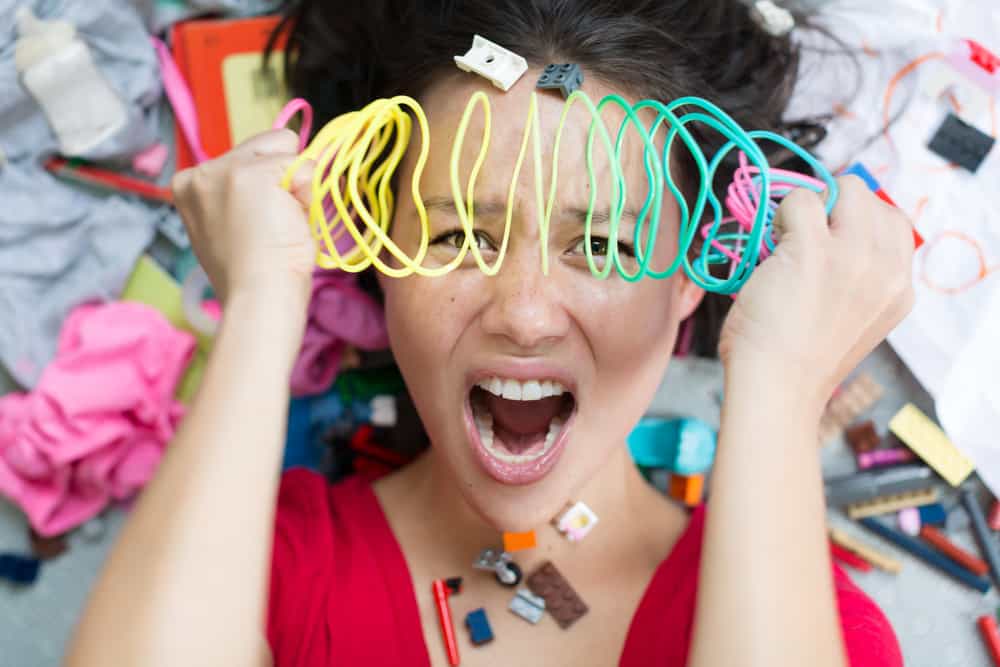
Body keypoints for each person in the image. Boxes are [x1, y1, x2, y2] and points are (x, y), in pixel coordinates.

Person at [66, 1, 914, 665]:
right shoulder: (264, 563)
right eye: (457, 235)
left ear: (693, 271)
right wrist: (259, 301)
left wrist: (783, 381)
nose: (524, 311)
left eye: (607, 244)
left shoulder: (820, 624)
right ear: (376, 242)